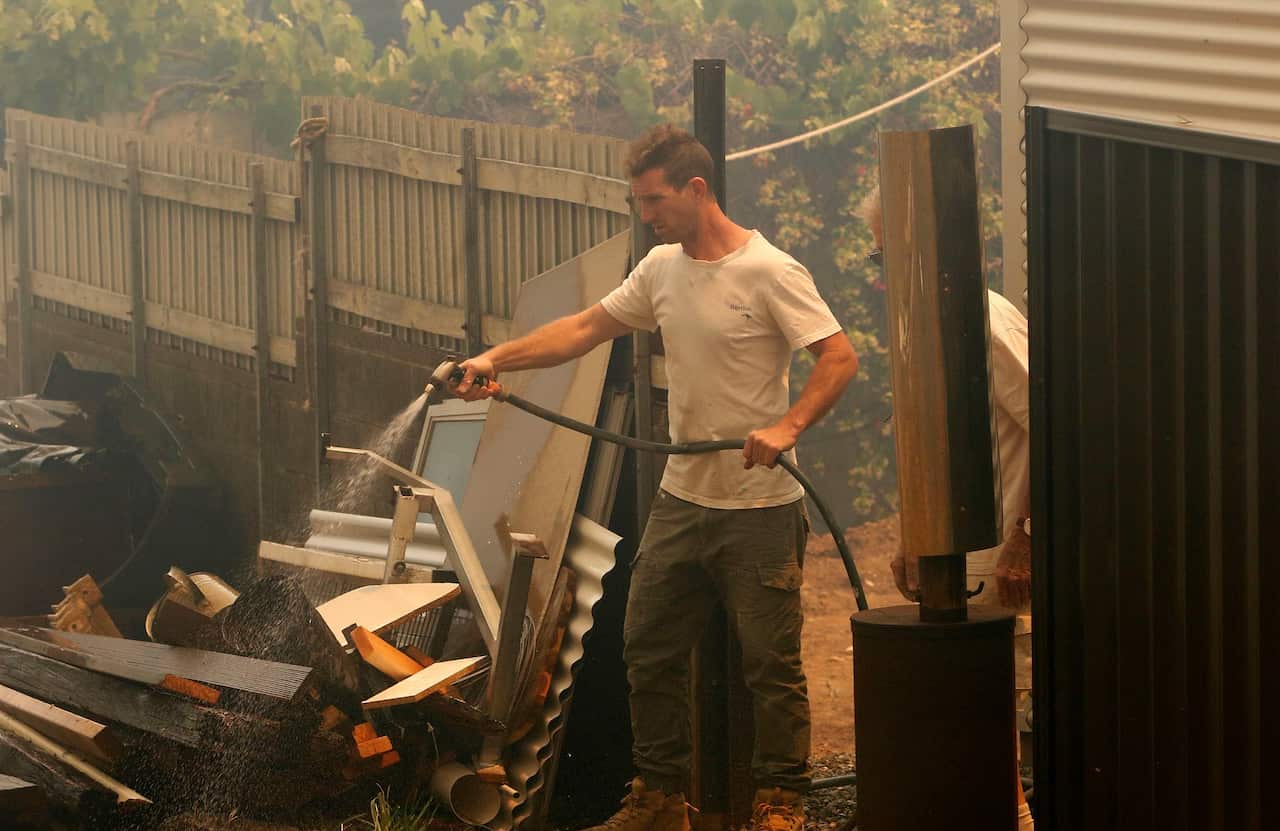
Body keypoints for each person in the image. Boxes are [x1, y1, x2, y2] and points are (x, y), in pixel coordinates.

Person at [452, 124, 858, 831]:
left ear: (697, 189)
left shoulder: (770, 271)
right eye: (640, 202)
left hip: (760, 506)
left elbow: (839, 356)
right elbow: (582, 328)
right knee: (646, 645)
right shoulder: (661, 270)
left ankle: (782, 805)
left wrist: (788, 427)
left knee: (771, 664)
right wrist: (496, 359)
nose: (647, 215)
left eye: (655, 200)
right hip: (683, 500)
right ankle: (662, 799)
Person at [861, 185, 1034, 830]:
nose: (881, 277)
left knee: (993, 695)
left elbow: (1054, 424)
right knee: (974, 695)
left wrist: (1027, 536)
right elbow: (932, 436)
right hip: (968, 549)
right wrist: (914, 534)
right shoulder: (929, 321)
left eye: (884, 259)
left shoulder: (981, 323)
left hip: (1001, 548)